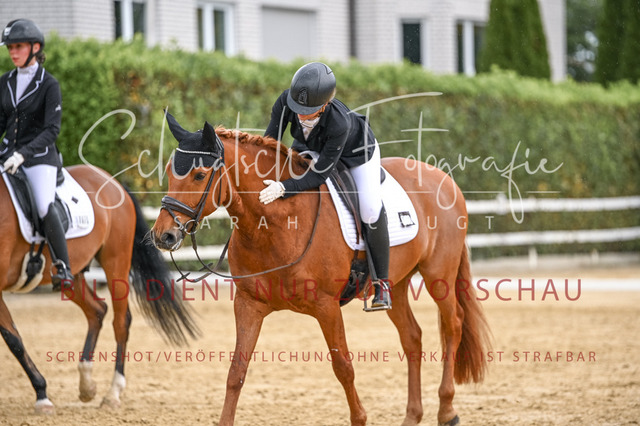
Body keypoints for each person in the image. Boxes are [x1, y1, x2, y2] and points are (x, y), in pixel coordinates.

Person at [260, 62, 391, 310]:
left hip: (356, 154)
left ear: (324, 105)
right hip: (311, 146)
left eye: (307, 111)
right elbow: (270, 144)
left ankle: (382, 284)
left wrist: (283, 188)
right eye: (297, 109)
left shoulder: (339, 123)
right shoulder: (286, 102)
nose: (300, 115)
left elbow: (319, 175)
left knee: (370, 208)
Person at [0, 19, 72, 291]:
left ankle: (63, 266)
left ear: (35, 47)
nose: (13, 52)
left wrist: (23, 155)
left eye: (18, 46)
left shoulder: (49, 84)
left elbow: (52, 129)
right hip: (7, 154)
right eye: (10, 48)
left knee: (43, 205)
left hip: (39, 158)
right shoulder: (5, 81)